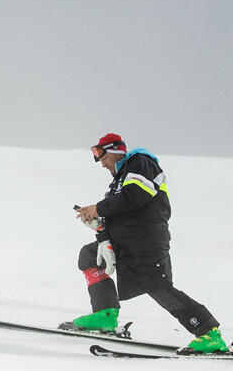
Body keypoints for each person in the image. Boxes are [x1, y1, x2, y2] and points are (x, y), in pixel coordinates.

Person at [68, 133, 228, 354]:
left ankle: (209, 334)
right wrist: (99, 228)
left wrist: (99, 208)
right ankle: (104, 315)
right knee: (89, 255)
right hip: (124, 242)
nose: (101, 164)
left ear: (115, 151)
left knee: (157, 287)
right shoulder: (119, 180)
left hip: (146, 241)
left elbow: (136, 195)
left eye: (102, 157)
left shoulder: (141, 162)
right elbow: (118, 209)